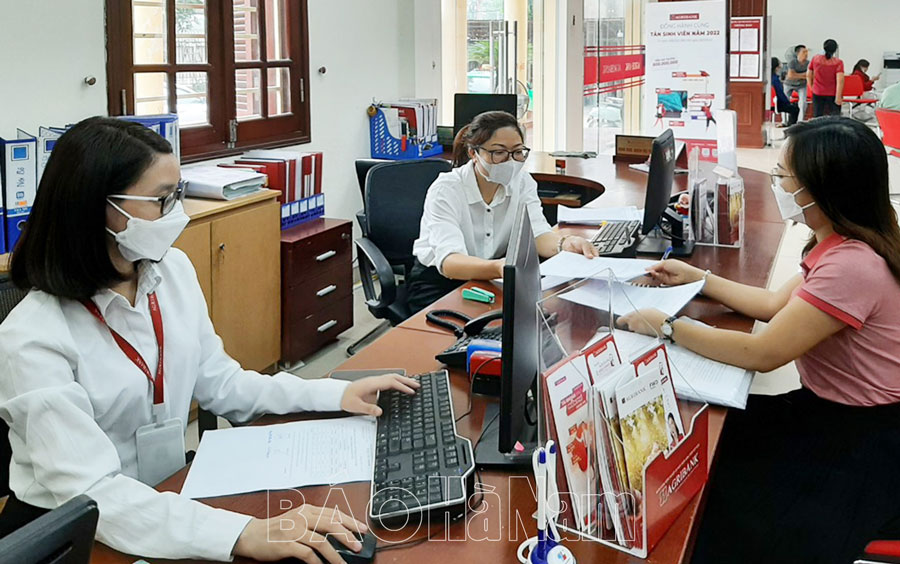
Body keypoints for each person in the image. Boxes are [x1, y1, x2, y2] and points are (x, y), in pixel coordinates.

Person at [0, 117, 423, 563]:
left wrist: (336, 394)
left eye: (177, 194)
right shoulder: (33, 339)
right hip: (77, 534)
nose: (177, 214)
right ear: (95, 208)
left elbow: (224, 384)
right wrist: (244, 532)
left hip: (168, 496)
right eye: (162, 200)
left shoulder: (170, 272)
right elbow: (93, 494)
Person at [618, 116, 900, 563]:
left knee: (716, 502)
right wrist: (698, 278)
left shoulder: (852, 265)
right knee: (705, 442)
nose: (777, 183)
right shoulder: (845, 242)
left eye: (783, 175)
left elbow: (762, 353)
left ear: (820, 188)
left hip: (861, 444)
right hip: (830, 415)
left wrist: (668, 326)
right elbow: (772, 305)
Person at [407, 111, 597, 313]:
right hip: (441, 282)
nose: (510, 161)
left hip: (493, 277)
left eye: (517, 152)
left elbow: (538, 233)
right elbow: (450, 262)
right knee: (467, 329)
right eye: (498, 152)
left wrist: (564, 244)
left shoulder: (522, 182)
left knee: (538, 317)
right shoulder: (447, 189)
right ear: (473, 153)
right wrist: (499, 268)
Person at [808, 39, 845, 116]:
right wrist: (838, 97)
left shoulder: (815, 59)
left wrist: (811, 87)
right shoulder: (838, 62)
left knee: (817, 117)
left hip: (818, 92)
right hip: (832, 93)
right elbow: (840, 80)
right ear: (835, 50)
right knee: (834, 118)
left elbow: (808, 75)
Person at [783, 45, 810, 121]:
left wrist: (796, 75)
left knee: (803, 103)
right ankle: (784, 121)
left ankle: (800, 121)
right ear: (798, 53)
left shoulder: (809, 63)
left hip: (802, 85)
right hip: (788, 84)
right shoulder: (792, 62)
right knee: (784, 102)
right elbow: (791, 75)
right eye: (804, 52)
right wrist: (804, 75)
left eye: (806, 52)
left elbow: (811, 75)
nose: (806, 54)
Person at [772, 57, 800, 126]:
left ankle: (788, 124)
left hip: (773, 102)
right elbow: (780, 93)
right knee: (795, 109)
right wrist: (787, 102)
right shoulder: (775, 79)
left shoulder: (770, 77)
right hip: (779, 103)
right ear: (776, 67)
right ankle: (791, 126)